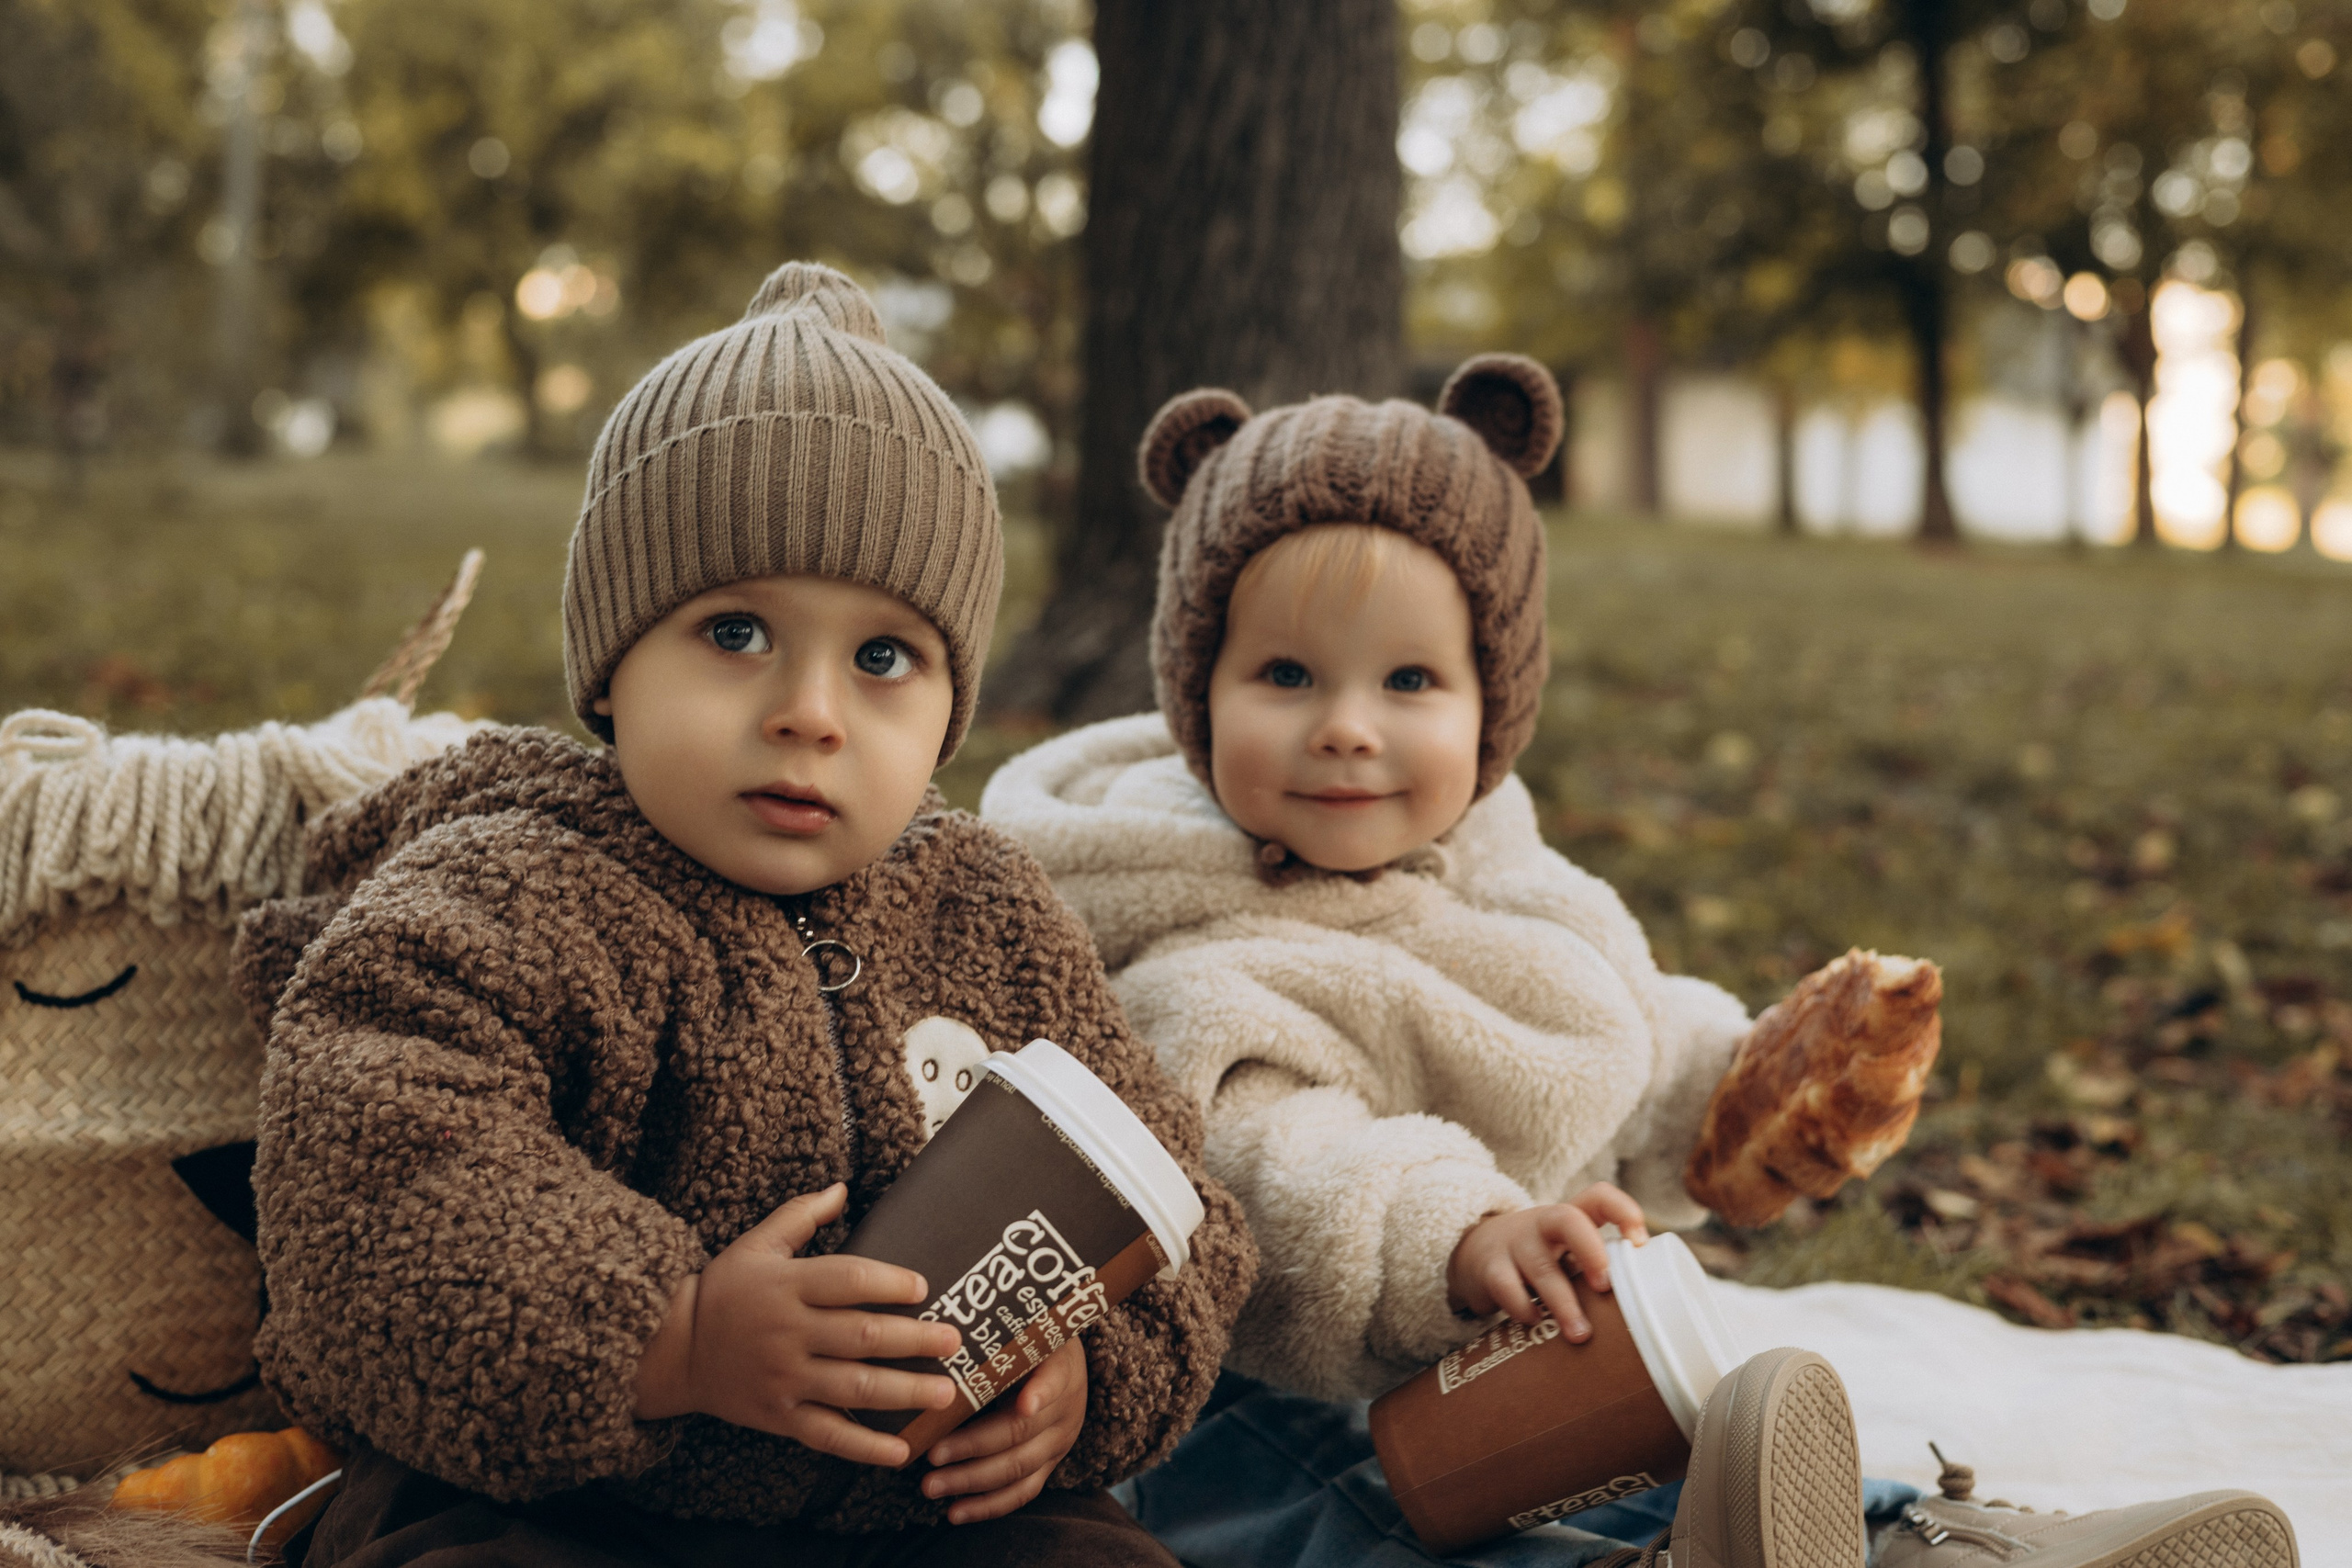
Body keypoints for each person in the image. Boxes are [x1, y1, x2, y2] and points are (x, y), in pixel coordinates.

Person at [978, 360, 2296, 1568]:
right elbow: (1266, 1155)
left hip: (1515, 1366)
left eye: (1410, 683)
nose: (1346, 731)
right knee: (1364, 1503)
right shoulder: (1178, 935)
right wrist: (1458, 1233)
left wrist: (1730, 1098)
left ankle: (1914, 1542)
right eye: (1284, 675)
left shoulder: (1490, 858)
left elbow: (1596, 1014)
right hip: (1265, 1388)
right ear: (1194, 690)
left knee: (1674, 1445)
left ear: (1494, 700)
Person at [232, 263, 1255, 1568]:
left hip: (910, 1508)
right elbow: (373, 1177)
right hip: (570, 1494)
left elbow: (1171, 1197)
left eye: (884, 659)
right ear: (611, 670)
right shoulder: (506, 891)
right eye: (735, 632)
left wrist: (1085, 1376)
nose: (810, 712)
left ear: (950, 709)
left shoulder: (987, 914)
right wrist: (669, 1333)